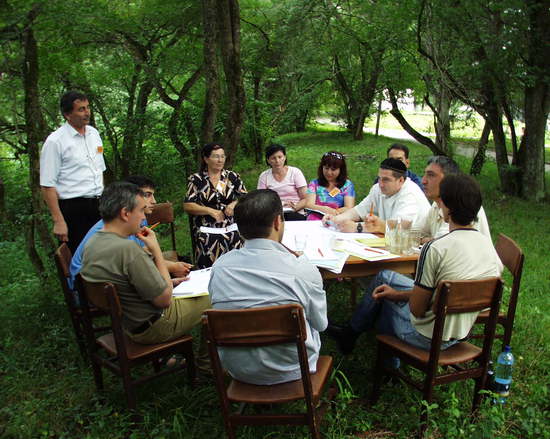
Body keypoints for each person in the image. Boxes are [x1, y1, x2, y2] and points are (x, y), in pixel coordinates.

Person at [327, 174, 503, 359]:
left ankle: (383, 360)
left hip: (427, 337)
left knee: (385, 302)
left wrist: (396, 297)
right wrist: (398, 294)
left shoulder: (436, 249)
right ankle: (356, 337)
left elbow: (417, 309)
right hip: (461, 333)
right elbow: (442, 294)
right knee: (386, 279)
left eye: (441, 200)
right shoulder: (488, 248)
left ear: (447, 207)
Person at [209, 189, 328, 385]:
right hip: (294, 367)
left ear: (239, 228)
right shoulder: (302, 269)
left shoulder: (220, 268)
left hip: (238, 369)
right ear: (277, 222)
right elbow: (321, 324)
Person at [80, 182, 210, 346]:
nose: (143, 217)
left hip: (129, 324)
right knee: (220, 291)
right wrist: (156, 250)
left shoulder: (92, 242)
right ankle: (210, 356)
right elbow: (164, 300)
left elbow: (126, 285)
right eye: (141, 210)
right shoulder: (128, 249)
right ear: (125, 213)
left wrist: (169, 282)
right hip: (156, 326)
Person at [68, 175, 192, 289]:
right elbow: (140, 264)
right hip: (88, 290)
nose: (154, 201)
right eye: (147, 195)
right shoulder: (115, 230)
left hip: (102, 285)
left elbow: (142, 257)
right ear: (132, 196)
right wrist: (171, 267)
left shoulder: (130, 221)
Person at [40, 91, 106, 253]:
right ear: (67, 114)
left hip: (99, 204)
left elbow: (99, 170)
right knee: (80, 254)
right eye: (81, 109)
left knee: (104, 252)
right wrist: (58, 220)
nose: (87, 112)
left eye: (88, 107)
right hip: (73, 208)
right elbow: (47, 186)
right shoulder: (56, 141)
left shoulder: (93, 134)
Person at [323, 158, 430, 233]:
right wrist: (335, 219)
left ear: (401, 180)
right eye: (379, 178)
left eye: (386, 180)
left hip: (416, 247)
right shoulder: (377, 188)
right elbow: (359, 211)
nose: (381, 184)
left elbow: (399, 226)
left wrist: (358, 227)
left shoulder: (410, 194)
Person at [184, 143, 247, 268]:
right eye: (216, 156)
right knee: (207, 242)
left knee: (237, 239)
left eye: (222, 156)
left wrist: (234, 204)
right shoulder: (197, 180)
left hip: (231, 225)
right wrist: (209, 211)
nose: (220, 160)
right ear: (206, 159)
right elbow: (188, 205)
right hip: (206, 228)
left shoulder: (231, 177)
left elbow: (246, 197)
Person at [420, 156, 491, 241]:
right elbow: (419, 233)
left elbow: (443, 242)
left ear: (448, 179)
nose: (423, 181)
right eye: (424, 175)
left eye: (431, 175)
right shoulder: (437, 203)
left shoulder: (464, 205)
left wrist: (423, 240)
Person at [257, 144, 308, 220]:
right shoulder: (264, 176)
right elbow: (261, 199)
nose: (277, 161)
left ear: (285, 157)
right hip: (273, 212)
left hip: (295, 211)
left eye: (280, 157)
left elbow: (305, 198)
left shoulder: (295, 172)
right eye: (273, 158)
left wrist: (295, 207)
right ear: (268, 160)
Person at [305, 151, 356, 220]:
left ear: (341, 170)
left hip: (338, 219)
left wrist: (333, 212)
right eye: (326, 168)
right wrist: (323, 209)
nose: (329, 172)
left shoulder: (347, 185)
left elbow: (349, 207)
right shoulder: (314, 184)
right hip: (315, 219)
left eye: (333, 169)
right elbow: (309, 205)